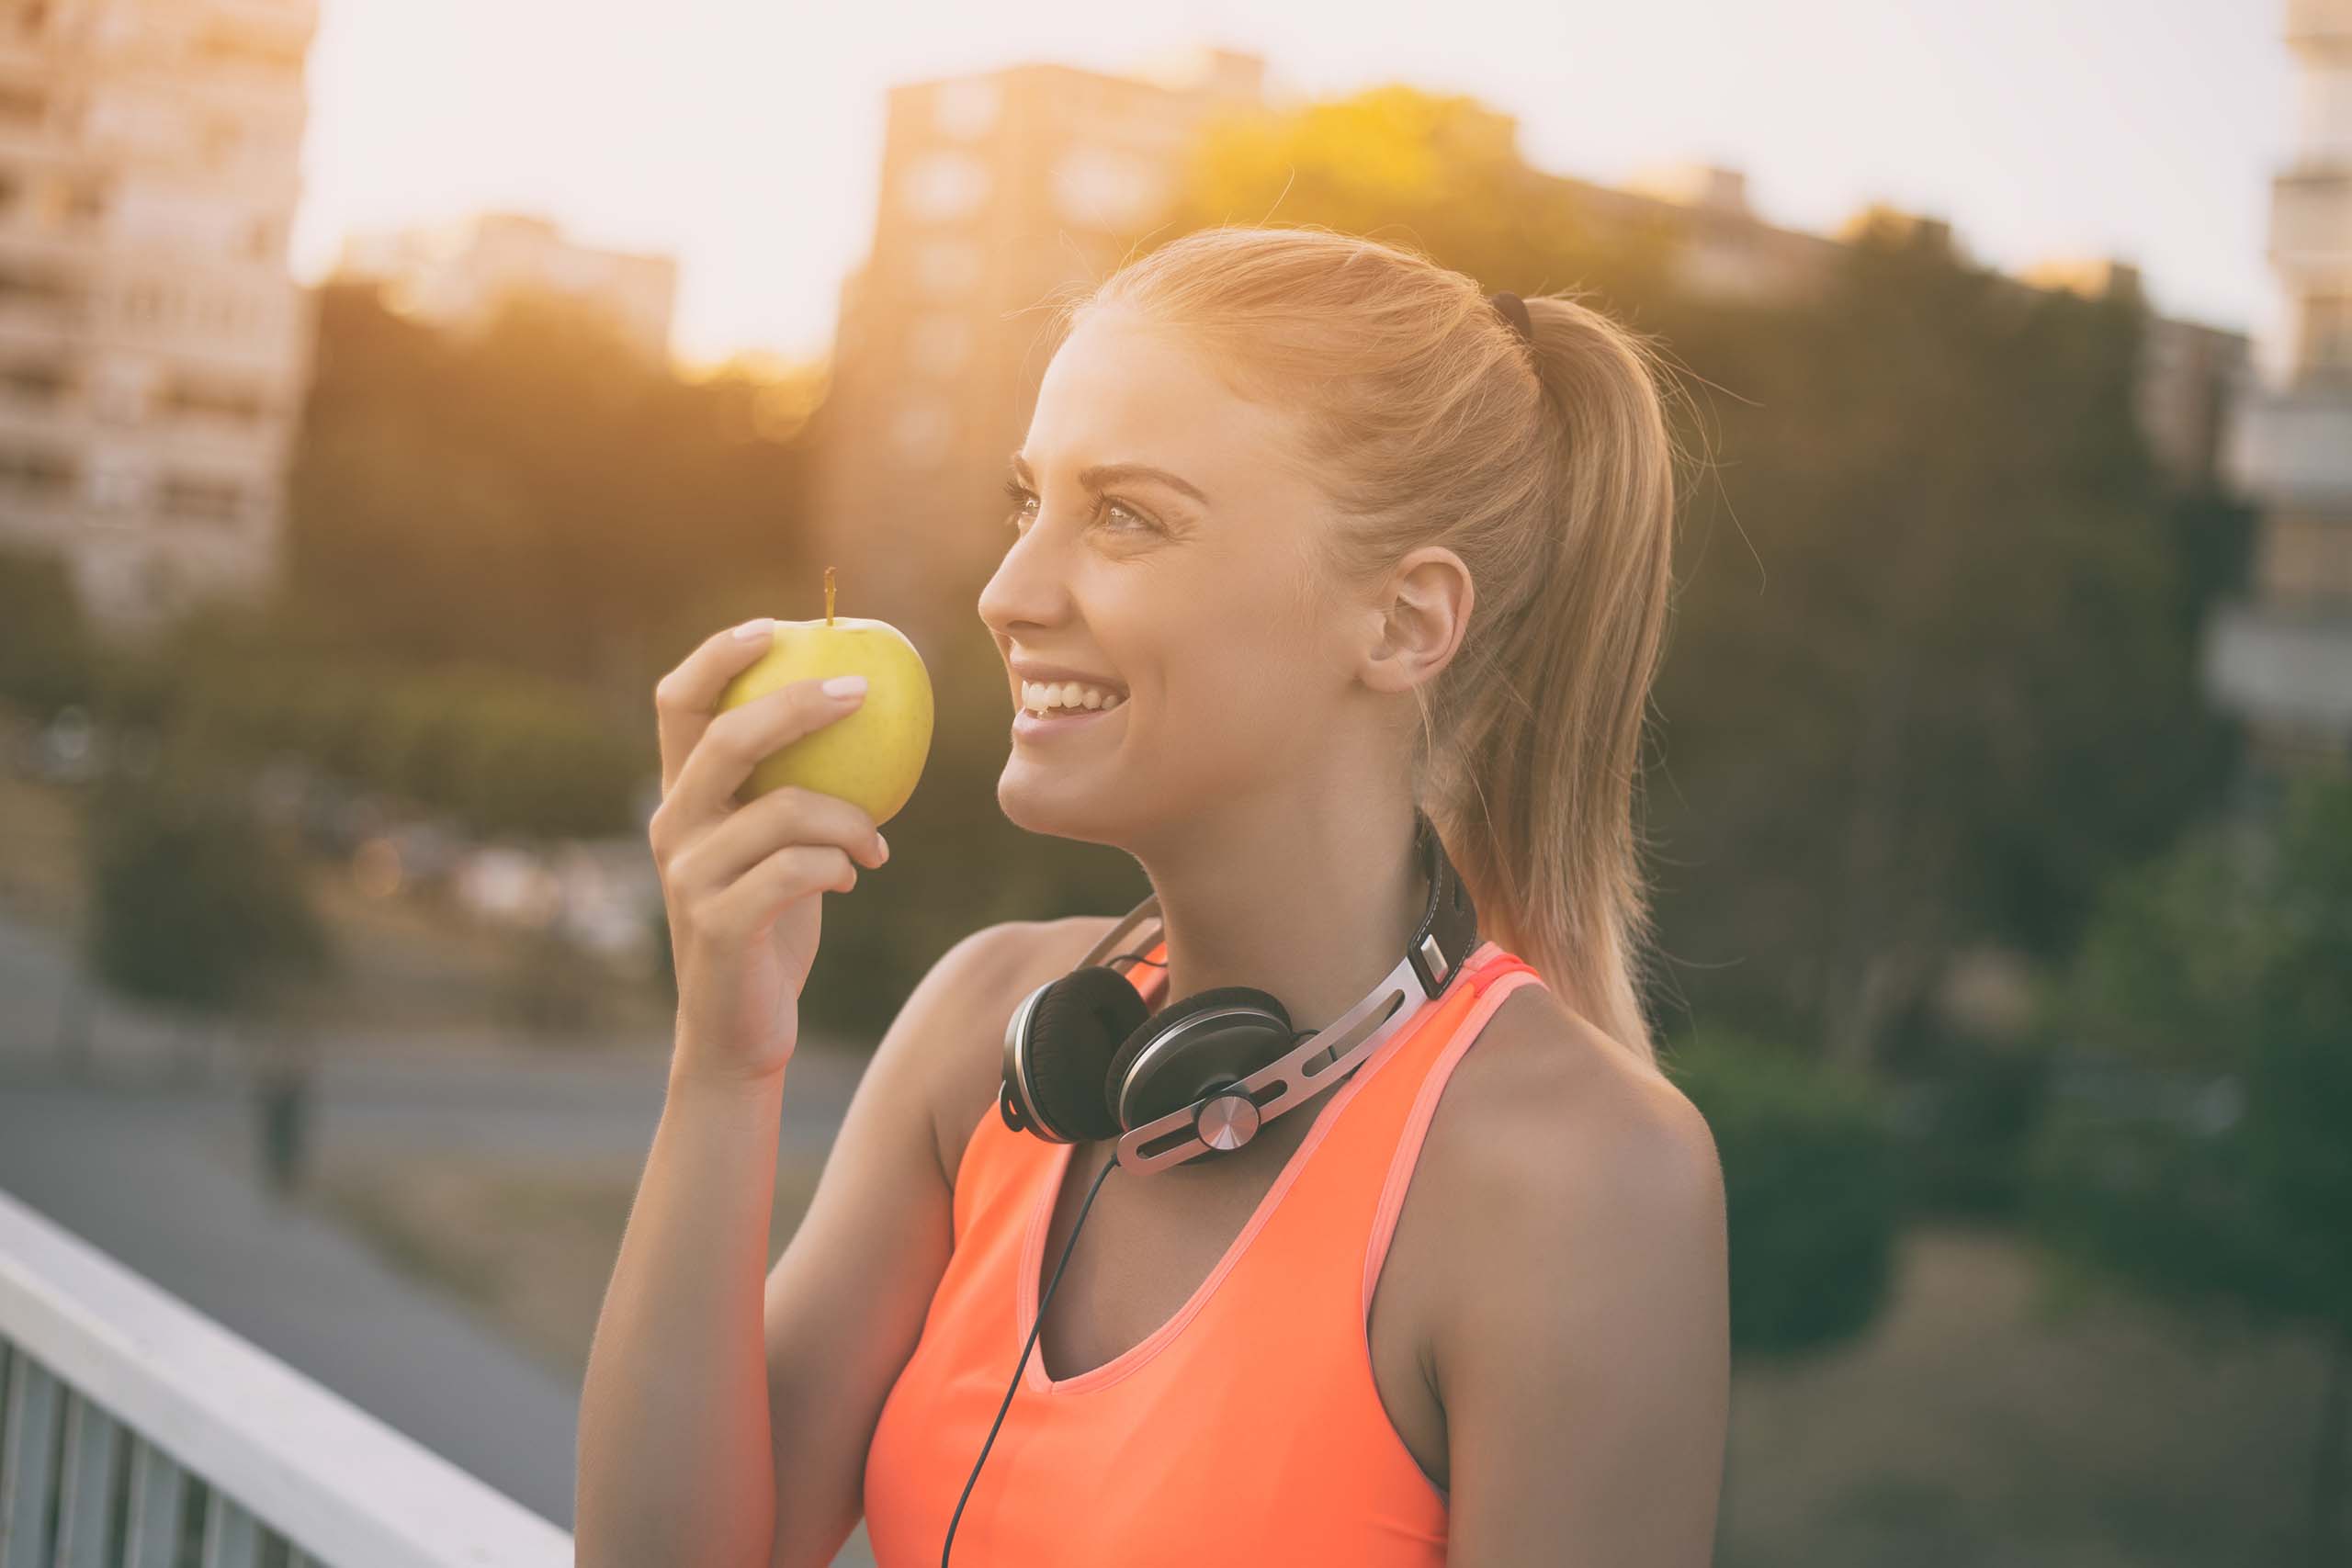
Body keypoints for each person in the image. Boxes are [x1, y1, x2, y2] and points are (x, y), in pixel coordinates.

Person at [576, 225, 1729, 1568]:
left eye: (1126, 516)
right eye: (1030, 504)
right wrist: (725, 1061)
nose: (1010, 593)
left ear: (1406, 622)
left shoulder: (1580, 1183)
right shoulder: (984, 1034)